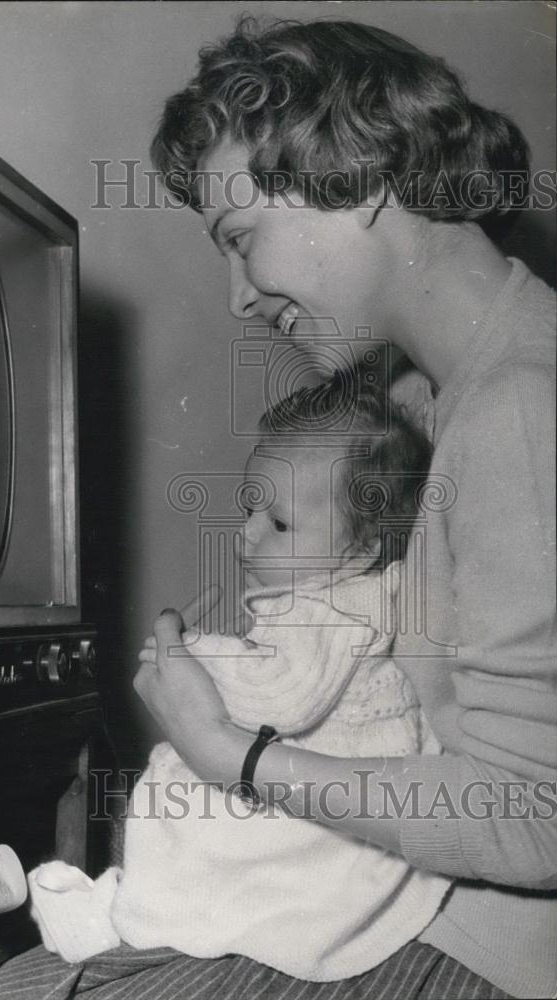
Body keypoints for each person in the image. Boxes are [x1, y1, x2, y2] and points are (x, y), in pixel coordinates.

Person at [0, 16, 555, 1000]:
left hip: (491, 946)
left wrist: (229, 751)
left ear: (358, 172)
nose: (239, 297)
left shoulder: (521, 409)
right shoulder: (444, 396)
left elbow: (536, 817)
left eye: (241, 241)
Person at [109, 378, 452, 982]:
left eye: (280, 524)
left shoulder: (327, 610)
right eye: (250, 508)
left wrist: (193, 653)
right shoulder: (342, 594)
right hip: (339, 773)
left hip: (336, 789)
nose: (248, 534)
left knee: (173, 787)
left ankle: (168, 914)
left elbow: (281, 696)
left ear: (365, 546)